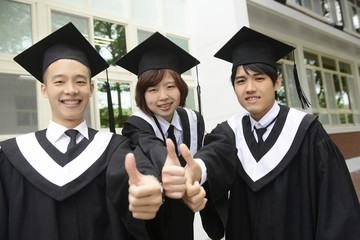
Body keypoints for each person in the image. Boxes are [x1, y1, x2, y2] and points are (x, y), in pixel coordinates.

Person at [188, 26, 360, 239]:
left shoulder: (308, 131)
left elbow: (337, 206)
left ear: (277, 82)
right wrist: (195, 170)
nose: (249, 88)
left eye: (259, 78)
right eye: (241, 81)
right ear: (234, 87)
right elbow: (213, 155)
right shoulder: (229, 133)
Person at [0, 22, 163, 240]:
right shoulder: (12, 156)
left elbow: (136, 175)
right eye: (59, 81)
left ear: (91, 88)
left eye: (80, 81)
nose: (71, 90)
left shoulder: (115, 148)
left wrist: (152, 186)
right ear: (44, 89)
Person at [116, 32, 207, 240]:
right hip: (152, 217)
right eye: (153, 89)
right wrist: (167, 166)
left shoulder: (193, 120)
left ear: (181, 88)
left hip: (185, 217)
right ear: (142, 95)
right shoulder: (136, 126)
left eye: (170, 86)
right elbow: (148, 146)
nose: (163, 97)